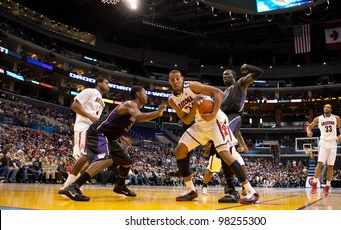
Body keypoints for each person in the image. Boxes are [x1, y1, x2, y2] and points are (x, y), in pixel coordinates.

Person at [168, 69, 259, 204]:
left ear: (182, 79)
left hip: (216, 120)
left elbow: (218, 93)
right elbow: (186, 121)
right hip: (201, 124)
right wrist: (194, 107)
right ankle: (191, 190)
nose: (175, 81)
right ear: (169, 82)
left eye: (177, 78)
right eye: (172, 79)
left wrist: (212, 113)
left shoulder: (193, 86)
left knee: (225, 154)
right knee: (180, 150)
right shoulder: (172, 100)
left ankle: (251, 191)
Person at [61, 85, 167, 201]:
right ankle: (73, 186)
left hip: (109, 137)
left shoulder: (133, 107)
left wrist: (122, 138)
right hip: (98, 133)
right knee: (106, 160)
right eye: (145, 93)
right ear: (137, 94)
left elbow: (114, 124)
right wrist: (158, 113)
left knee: (126, 161)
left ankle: (120, 186)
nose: (146, 96)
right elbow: (139, 117)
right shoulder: (130, 104)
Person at [202, 64, 263, 202]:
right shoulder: (223, 94)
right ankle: (231, 190)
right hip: (223, 120)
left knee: (225, 150)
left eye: (227, 74)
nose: (224, 76)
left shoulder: (241, 83)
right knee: (222, 152)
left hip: (234, 116)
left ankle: (249, 191)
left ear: (234, 76)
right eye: (223, 75)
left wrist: (247, 67)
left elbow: (259, 72)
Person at [59, 77, 110, 195]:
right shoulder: (90, 91)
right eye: (106, 83)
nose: (109, 86)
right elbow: (75, 106)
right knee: (85, 155)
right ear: (99, 83)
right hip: (84, 127)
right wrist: (90, 117)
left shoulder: (102, 100)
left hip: (92, 130)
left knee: (90, 160)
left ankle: (71, 184)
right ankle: (69, 186)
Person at [306, 103, 341, 196]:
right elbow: (309, 126)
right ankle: (314, 184)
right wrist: (308, 131)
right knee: (320, 163)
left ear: (331, 109)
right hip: (323, 142)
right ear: (323, 108)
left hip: (333, 143)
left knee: (331, 166)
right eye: (325, 106)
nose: (326, 108)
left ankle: (327, 186)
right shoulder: (318, 118)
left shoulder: (336, 118)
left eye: (328, 107)